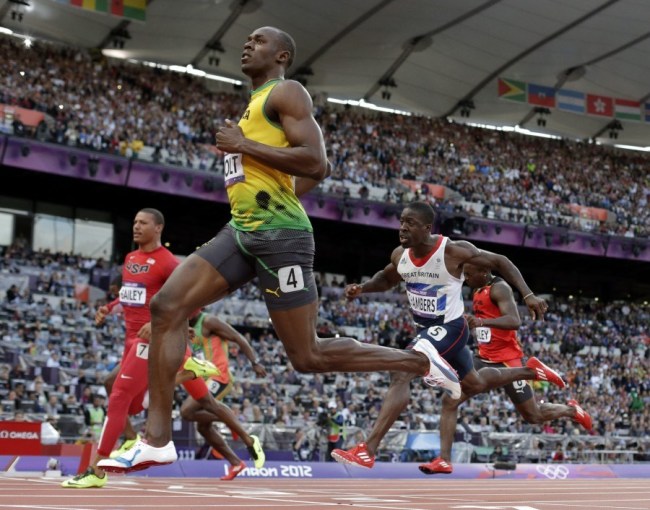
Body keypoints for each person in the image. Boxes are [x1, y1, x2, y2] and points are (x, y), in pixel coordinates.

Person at [102, 27, 464, 473]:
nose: (247, 44)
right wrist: (265, 171)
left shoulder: (287, 92)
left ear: (282, 56)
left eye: (258, 40)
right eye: (247, 40)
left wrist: (243, 146)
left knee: (308, 356)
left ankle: (418, 361)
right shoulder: (252, 105)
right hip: (241, 229)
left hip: (280, 237)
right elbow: (305, 172)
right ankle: (157, 439)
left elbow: (316, 161)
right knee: (166, 307)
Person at [331, 201, 563, 469]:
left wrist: (528, 294)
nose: (402, 227)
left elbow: (501, 261)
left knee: (402, 371)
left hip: (452, 328)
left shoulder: (452, 250)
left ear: (427, 228)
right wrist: (362, 288)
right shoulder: (400, 255)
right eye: (401, 221)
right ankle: (530, 371)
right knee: (474, 383)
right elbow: (386, 279)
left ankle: (368, 449)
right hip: (428, 332)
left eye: (410, 223)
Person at [62, 208, 219, 489]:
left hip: (150, 340)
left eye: (143, 223)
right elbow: (129, 295)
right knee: (131, 404)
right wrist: (109, 307)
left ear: (158, 228)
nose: (136, 226)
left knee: (118, 396)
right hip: (129, 340)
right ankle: (182, 372)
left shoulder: (168, 263)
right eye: (134, 222)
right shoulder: (130, 258)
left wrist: (159, 324)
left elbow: (193, 303)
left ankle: (97, 469)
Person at [417, 263, 592, 474]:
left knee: (533, 416)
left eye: (470, 274)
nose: (466, 278)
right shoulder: (477, 289)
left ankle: (570, 409)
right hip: (483, 358)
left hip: (508, 361)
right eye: (465, 274)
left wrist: (480, 321)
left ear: (484, 272)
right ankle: (444, 460)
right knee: (450, 400)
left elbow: (514, 321)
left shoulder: (500, 288)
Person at [180, 310, 268, 480]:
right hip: (202, 377)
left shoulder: (209, 322)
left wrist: (254, 362)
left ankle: (235, 425)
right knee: (203, 427)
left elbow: (238, 337)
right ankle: (236, 463)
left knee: (186, 411)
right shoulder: (186, 325)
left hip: (218, 376)